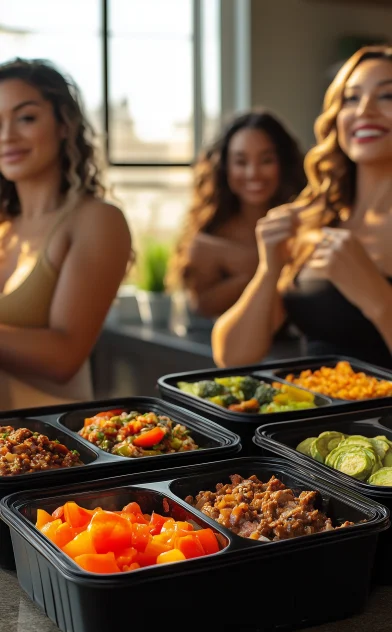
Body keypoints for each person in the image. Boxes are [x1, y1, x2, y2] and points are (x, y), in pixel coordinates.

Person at [212, 46, 392, 370]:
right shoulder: (314, 220)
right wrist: (269, 270)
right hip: (310, 419)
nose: (364, 110)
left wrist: (377, 298)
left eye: (387, 96)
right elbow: (232, 356)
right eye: (351, 98)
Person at [0, 58, 133, 410]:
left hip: (46, 448)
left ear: (63, 125)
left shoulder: (96, 220)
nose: (6, 135)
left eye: (26, 117)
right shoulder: (4, 226)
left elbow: (64, 358)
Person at [166, 111, 305, 318]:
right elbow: (202, 307)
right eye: (241, 162)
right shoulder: (206, 243)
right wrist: (263, 269)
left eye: (266, 160)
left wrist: (246, 267)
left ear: (283, 164)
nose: (253, 173)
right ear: (225, 168)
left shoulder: (308, 223)